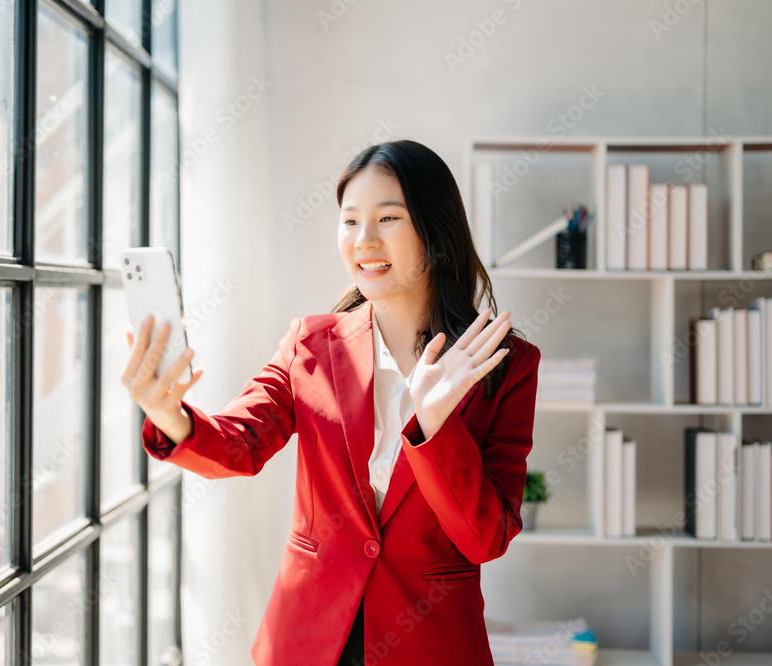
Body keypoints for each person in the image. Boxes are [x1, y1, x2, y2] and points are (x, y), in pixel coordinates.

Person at [121, 139, 540, 665]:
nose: (364, 240)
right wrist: (169, 416)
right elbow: (239, 444)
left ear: (436, 231)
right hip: (310, 640)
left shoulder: (506, 365)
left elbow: (486, 538)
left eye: (388, 218)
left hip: (429, 645)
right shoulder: (311, 345)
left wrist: (434, 426)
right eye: (349, 222)